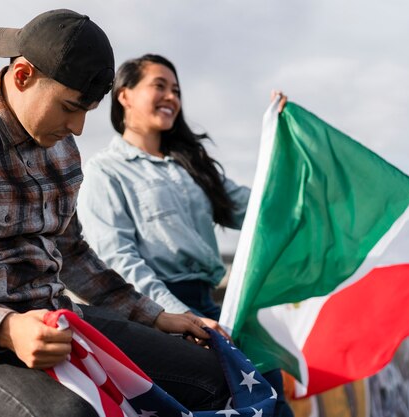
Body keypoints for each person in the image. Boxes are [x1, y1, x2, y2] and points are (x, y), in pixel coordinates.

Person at [0, 11, 231, 417]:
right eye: (69, 107)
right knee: (72, 414)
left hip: (57, 317)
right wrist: (7, 329)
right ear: (23, 75)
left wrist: (157, 316)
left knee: (211, 375)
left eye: (88, 111)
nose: (78, 128)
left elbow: (73, 253)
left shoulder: (61, 148)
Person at [77, 53, 292, 415]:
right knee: (222, 392)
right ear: (124, 95)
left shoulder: (193, 166)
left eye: (176, 89)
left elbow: (262, 212)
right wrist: (177, 317)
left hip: (213, 305)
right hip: (156, 307)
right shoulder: (105, 172)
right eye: (159, 86)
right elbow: (118, 259)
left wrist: (283, 146)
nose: (172, 97)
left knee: (270, 380)